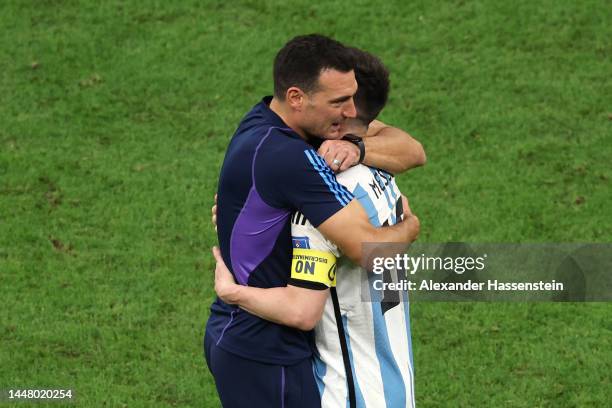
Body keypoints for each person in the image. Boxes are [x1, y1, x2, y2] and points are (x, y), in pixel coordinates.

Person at [204, 34, 421, 408]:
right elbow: (368, 251)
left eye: (353, 99)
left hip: (254, 335)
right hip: (266, 347)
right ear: (296, 98)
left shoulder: (265, 120)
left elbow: (413, 150)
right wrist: (411, 226)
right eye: (339, 102)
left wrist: (357, 146)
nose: (351, 111)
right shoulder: (297, 162)